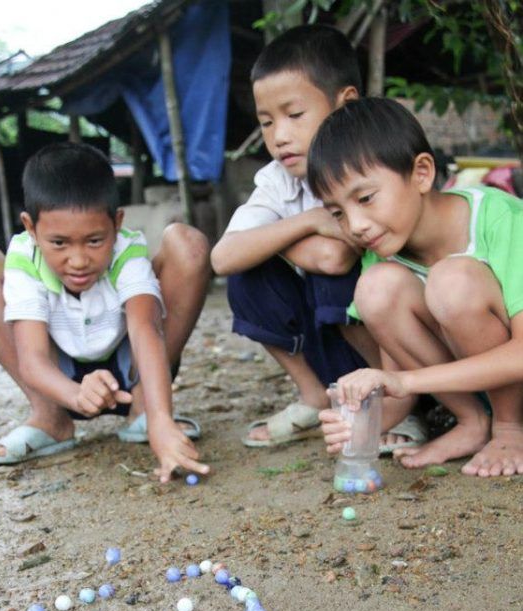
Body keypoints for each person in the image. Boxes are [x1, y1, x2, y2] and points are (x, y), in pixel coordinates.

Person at [210, 25, 419, 451]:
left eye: (294, 115)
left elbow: (335, 261)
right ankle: (314, 393)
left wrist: (276, 239)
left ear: (344, 104)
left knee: (332, 278)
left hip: (404, 343)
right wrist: (307, 222)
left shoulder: (374, 160)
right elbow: (223, 257)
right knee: (246, 275)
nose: (279, 135)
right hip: (336, 340)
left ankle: (401, 403)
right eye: (266, 122)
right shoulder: (276, 182)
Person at [0, 142, 211, 483]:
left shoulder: (126, 250)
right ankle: (50, 417)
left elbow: (146, 329)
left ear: (117, 224)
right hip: (57, 378)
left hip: (133, 368)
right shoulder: (24, 258)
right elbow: (32, 360)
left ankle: (146, 409)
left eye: (94, 241)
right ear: (30, 228)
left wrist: (162, 418)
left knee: (188, 242)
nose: (78, 260)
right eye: (59, 243)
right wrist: (75, 395)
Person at [308, 97, 523, 477]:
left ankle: (509, 428)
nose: (355, 225)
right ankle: (471, 423)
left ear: (422, 173)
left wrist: (404, 381)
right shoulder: (383, 253)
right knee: (375, 288)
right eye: (339, 213)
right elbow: (399, 371)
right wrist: (357, 421)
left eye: (365, 198)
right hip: (480, 391)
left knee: (451, 281)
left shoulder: (499, 218)